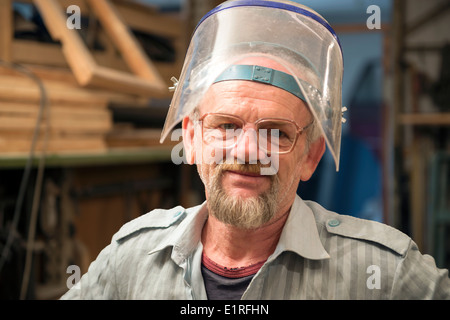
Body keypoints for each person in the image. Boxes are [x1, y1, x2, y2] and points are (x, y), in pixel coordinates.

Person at [61, 0, 450, 299]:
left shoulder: (381, 269)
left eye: (276, 133)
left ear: (310, 156)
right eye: (226, 125)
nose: (248, 151)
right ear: (192, 139)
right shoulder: (133, 256)